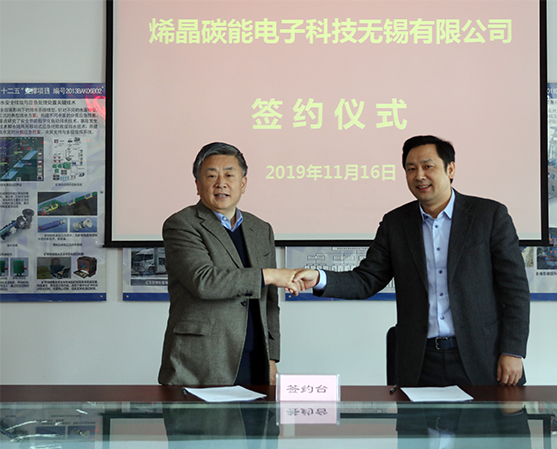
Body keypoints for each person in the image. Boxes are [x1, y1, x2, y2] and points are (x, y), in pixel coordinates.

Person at [294, 135, 530, 386]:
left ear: (450, 169)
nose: (419, 176)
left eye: (428, 166)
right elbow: (367, 279)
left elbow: (515, 289)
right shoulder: (396, 223)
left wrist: (513, 351)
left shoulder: (489, 216)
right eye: (411, 169)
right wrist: (319, 278)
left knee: (494, 414)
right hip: (420, 362)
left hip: (484, 357)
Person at [158, 142, 300, 386]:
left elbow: (270, 301)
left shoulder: (261, 229)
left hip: (256, 359)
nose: (221, 183)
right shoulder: (181, 224)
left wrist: (272, 356)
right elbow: (204, 281)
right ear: (197, 184)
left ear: (243, 183)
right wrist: (268, 275)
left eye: (229, 175)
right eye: (211, 175)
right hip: (201, 362)